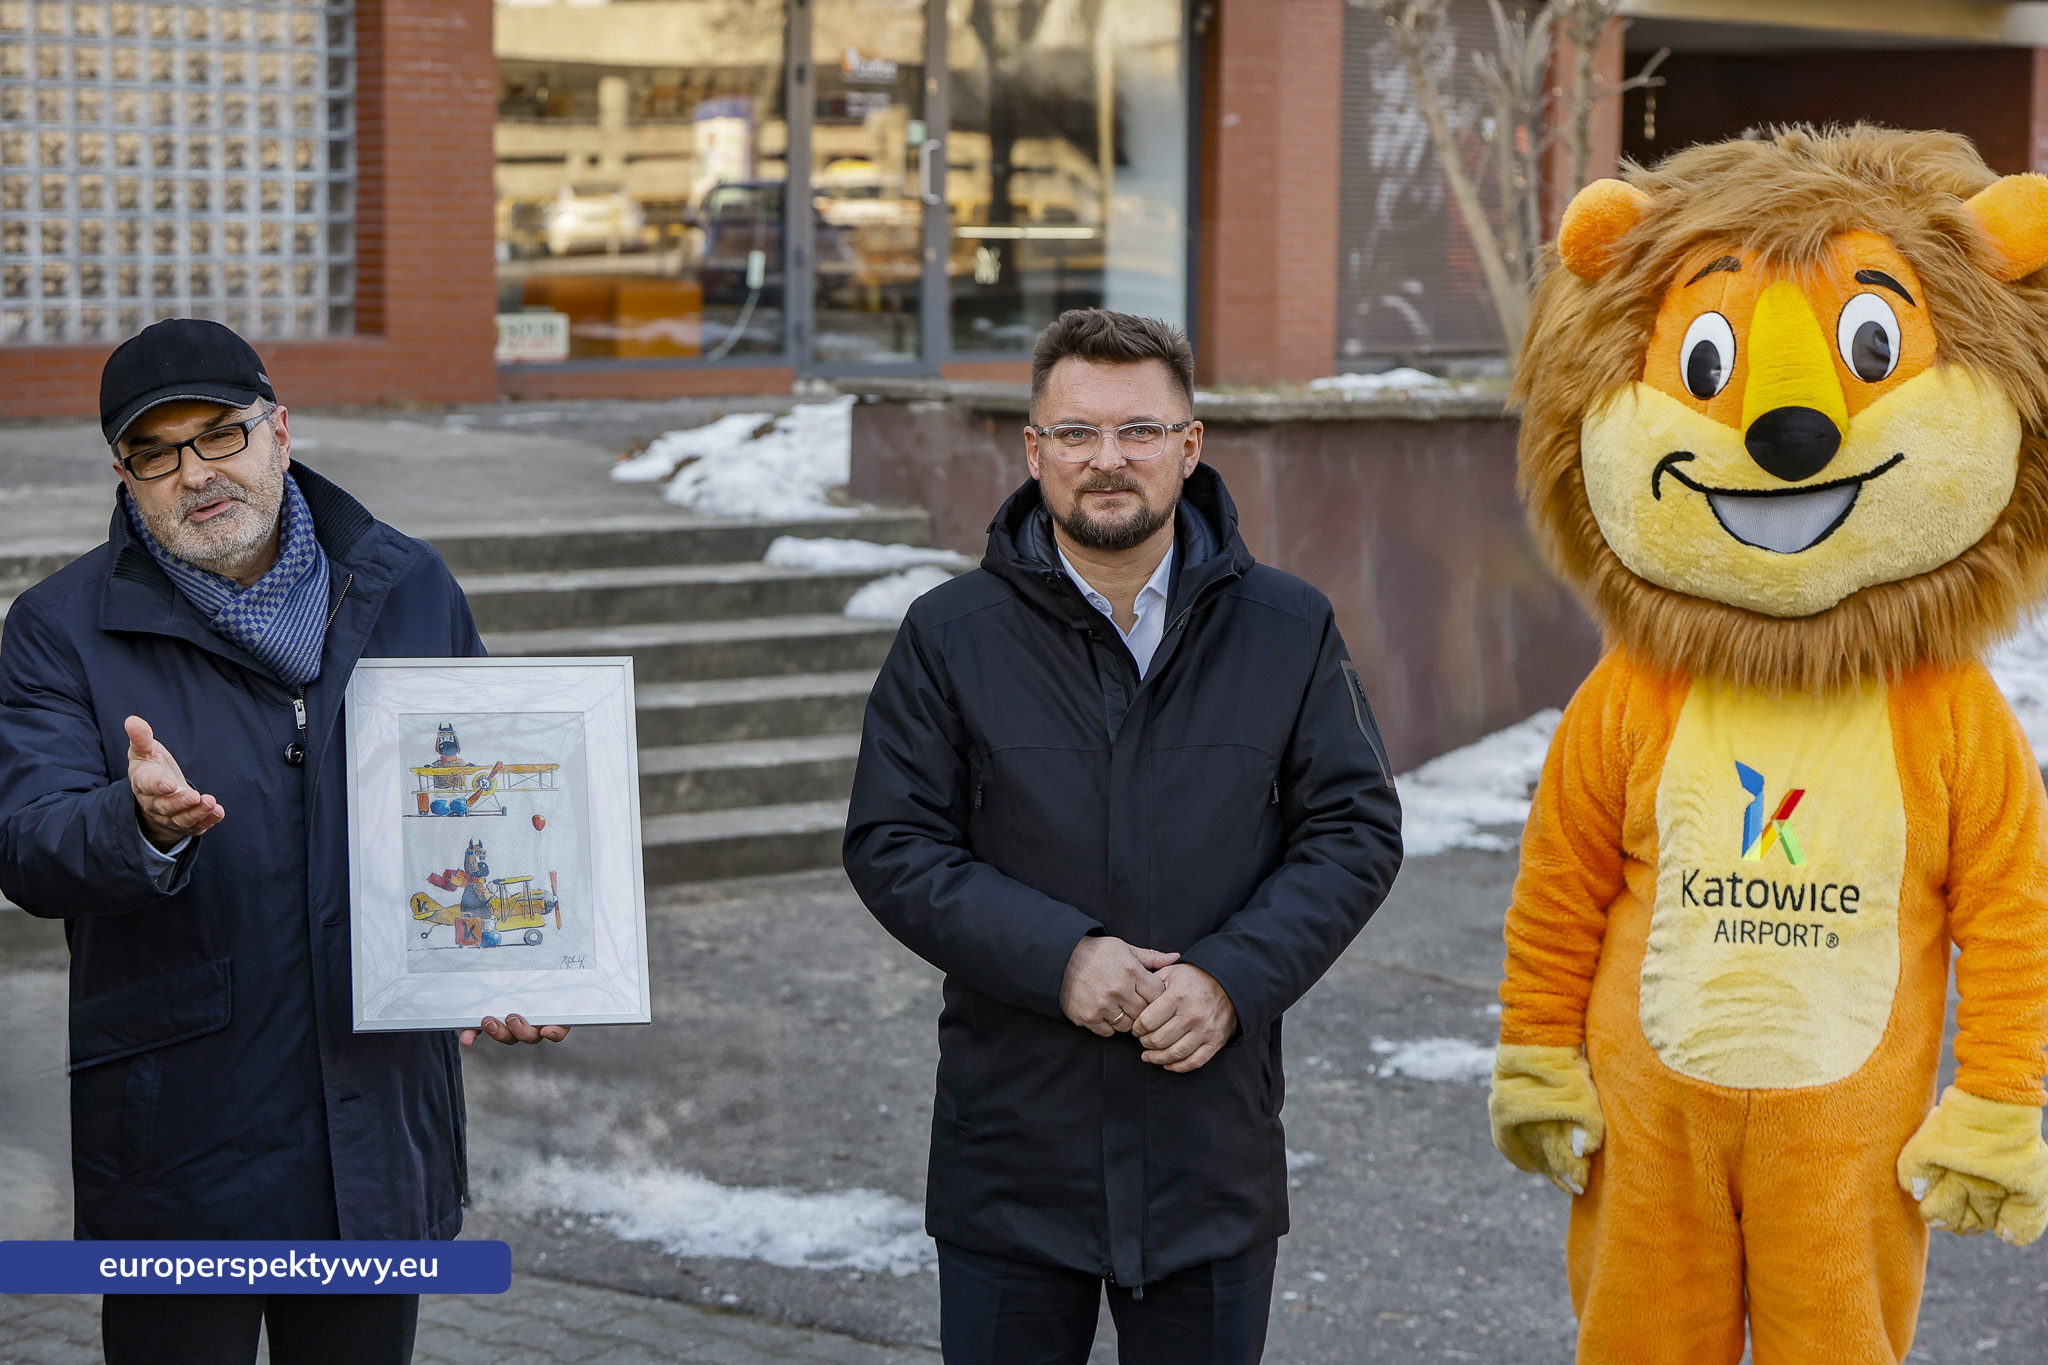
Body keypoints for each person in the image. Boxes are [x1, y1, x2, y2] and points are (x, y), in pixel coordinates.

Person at [0, 319, 567, 1365]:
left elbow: (483, 801)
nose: (196, 474)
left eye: (220, 434)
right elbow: (29, 842)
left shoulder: (409, 587)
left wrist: (504, 962)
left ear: (279, 433)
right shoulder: (56, 627)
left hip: (372, 1118)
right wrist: (133, 823)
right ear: (125, 477)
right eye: (157, 453)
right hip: (181, 1130)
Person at [843, 308, 1403, 1364]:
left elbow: (1352, 829)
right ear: (1032, 450)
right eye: (1076, 434)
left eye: (1139, 431)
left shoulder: (1286, 628)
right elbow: (893, 844)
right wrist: (1061, 960)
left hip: (1207, 1149)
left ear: (1189, 448)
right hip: (1011, 1155)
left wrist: (1232, 979)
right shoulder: (948, 636)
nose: (1108, 461)